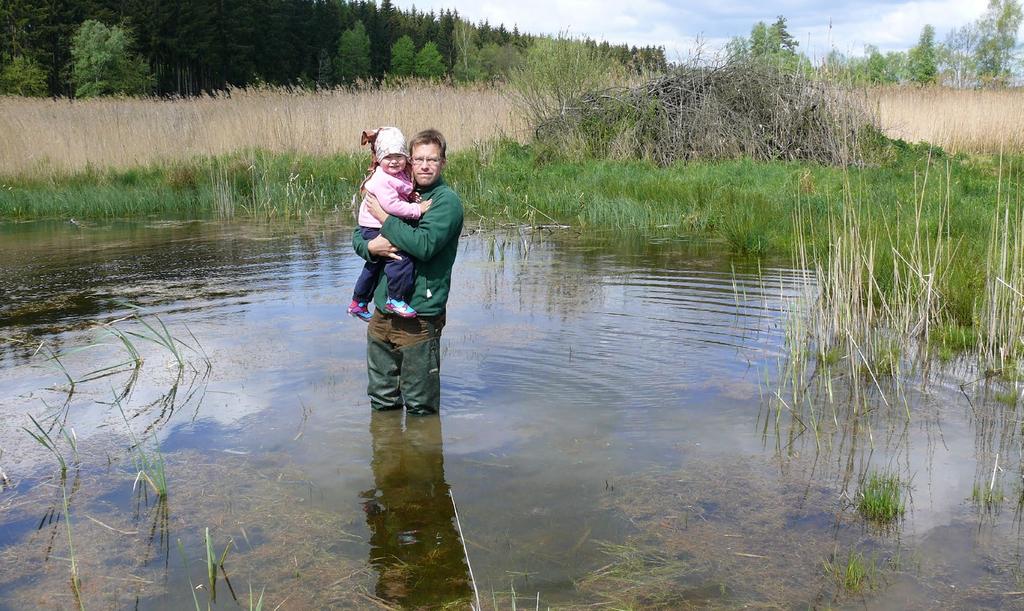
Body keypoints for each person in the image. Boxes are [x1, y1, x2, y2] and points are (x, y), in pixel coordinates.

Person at [351, 128, 463, 416]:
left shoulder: (444, 202)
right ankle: (387, 457)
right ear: (409, 161)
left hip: (420, 316)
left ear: (443, 163)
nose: (425, 166)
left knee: (420, 407)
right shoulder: (396, 187)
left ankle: (422, 458)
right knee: (381, 401)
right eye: (419, 159)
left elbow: (424, 246)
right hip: (381, 314)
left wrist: (386, 219)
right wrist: (370, 249)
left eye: (433, 160)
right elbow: (359, 234)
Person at [348, 126, 431, 321]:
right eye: (388, 157)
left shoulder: (395, 174)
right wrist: (416, 209)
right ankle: (395, 298)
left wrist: (410, 194)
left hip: (373, 225)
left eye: (399, 156)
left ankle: (358, 302)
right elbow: (392, 205)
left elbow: (399, 192)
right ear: (378, 159)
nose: (394, 161)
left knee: (373, 265)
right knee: (401, 258)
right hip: (375, 226)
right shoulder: (382, 179)